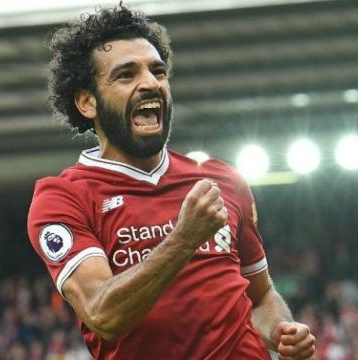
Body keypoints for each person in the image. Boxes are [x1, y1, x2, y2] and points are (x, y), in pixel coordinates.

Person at [27, 5, 316, 359]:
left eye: (158, 71)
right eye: (126, 75)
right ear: (88, 102)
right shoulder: (63, 198)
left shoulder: (221, 179)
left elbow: (261, 297)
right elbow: (103, 313)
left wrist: (282, 330)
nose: (150, 83)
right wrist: (184, 239)